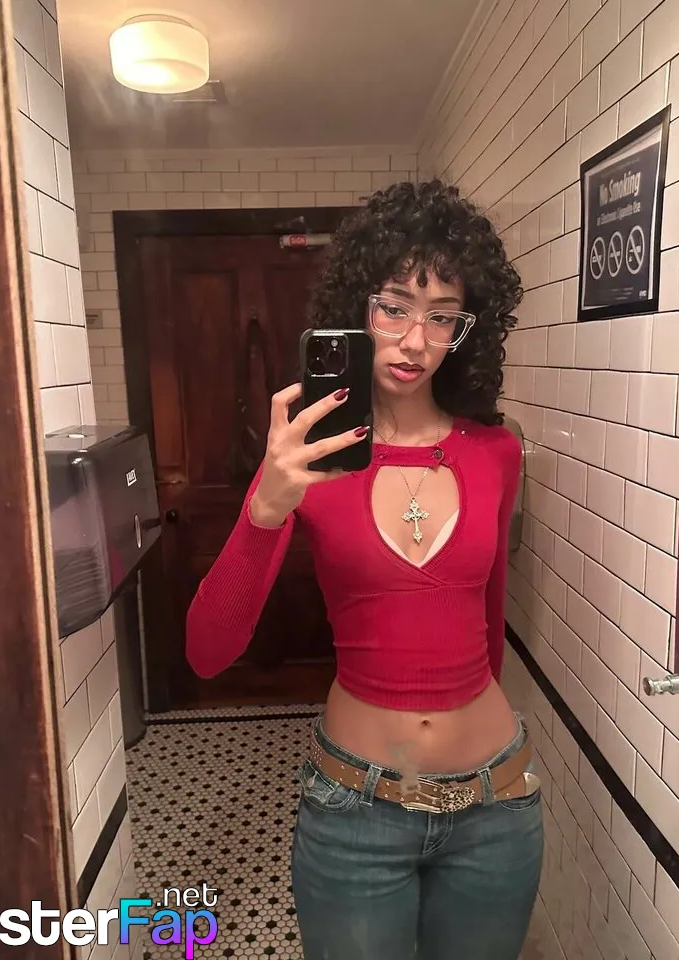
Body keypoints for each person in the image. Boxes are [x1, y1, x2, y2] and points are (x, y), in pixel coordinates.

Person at [184, 179, 543, 960]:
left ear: (467, 328)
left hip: (497, 808)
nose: (415, 341)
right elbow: (207, 653)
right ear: (357, 310)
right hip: (355, 813)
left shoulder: (496, 453)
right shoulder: (306, 462)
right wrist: (264, 510)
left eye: (441, 315)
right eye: (394, 308)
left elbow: (487, 629)